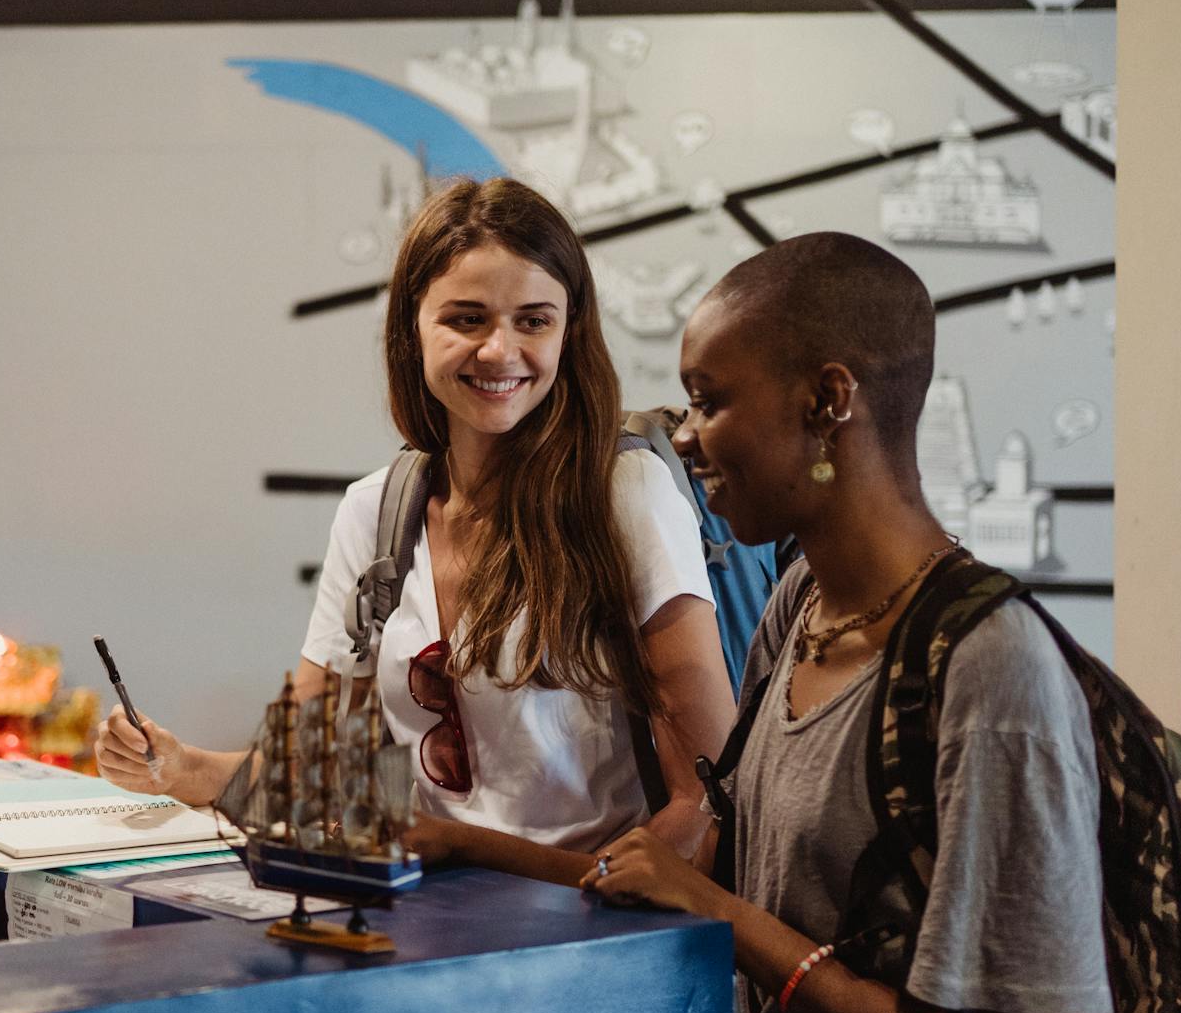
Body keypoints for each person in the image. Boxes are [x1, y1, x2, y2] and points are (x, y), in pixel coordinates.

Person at [583, 232, 1124, 1013]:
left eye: (708, 400)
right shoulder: (796, 609)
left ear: (827, 398)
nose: (687, 438)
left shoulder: (990, 671)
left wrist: (718, 915)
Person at [95, 177, 734, 878]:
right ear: (411, 328)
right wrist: (179, 767)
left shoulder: (625, 494)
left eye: (533, 320)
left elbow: (703, 808)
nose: (500, 350)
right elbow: (309, 769)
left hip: (595, 948)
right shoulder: (376, 511)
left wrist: (474, 850)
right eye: (466, 319)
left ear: (569, 332)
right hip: (426, 942)